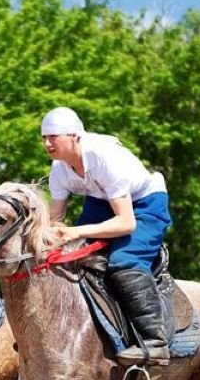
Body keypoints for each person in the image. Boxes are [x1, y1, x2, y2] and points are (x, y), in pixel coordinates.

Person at [41, 106, 173, 363]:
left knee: (123, 261)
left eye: (53, 137)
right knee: (67, 259)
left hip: (144, 204)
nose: (47, 143)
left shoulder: (104, 158)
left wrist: (76, 232)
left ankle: (155, 341)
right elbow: (55, 221)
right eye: (44, 137)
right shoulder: (59, 169)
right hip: (101, 202)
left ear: (74, 136)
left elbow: (126, 223)